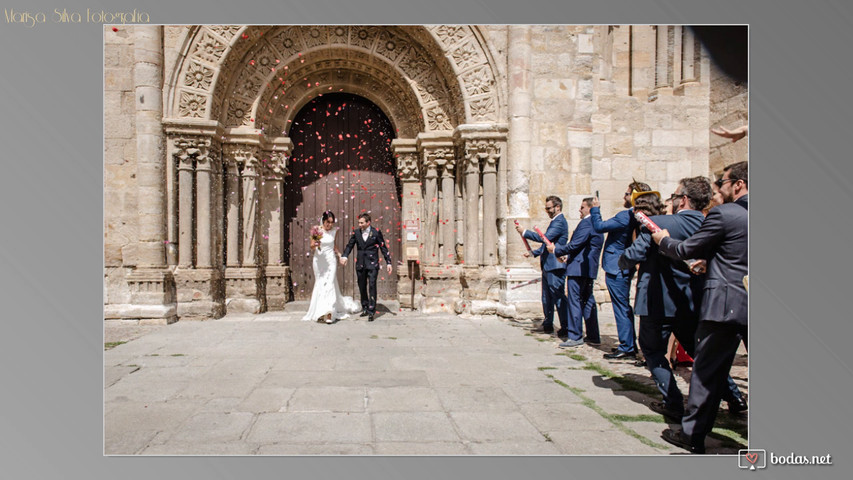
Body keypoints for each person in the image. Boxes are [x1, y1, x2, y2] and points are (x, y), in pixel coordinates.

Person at [652, 161, 749, 454]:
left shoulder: (727, 213)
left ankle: (693, 435)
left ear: (738, 184)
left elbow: (686, 249)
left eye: (721, 182)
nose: (717, 189)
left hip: (726, 303)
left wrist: (664, 241)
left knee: (708, 372)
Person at [590, 181, 652, 360]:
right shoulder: (637, 216)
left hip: (617, 266)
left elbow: (599, 227)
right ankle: (629, 343)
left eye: (627, 194)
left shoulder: (625, 216)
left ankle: (627, 346)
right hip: (623, 265)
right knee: (623, 306)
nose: (623, 197)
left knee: (621, 307)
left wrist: (596, 209)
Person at [547, 198, 604, 348]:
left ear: (590, 208)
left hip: (578, 269)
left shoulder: (587, 222)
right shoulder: (595, 223)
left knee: (575, 301)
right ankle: (593, 335)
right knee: (587, 301)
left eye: (582, 207)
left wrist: (556, 250)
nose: (580, 210)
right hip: (586, 268)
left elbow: (576, 243)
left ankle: (575, 335)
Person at [516, 196, 569, 340]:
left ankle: (566, 327)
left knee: (558, 296)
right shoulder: (554, 221)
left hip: (556, 265)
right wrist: (534, 253)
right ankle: (548, 324)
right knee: (546, 298)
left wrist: (525, 231)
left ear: (557, 207)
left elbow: (545, 238)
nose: (547, 211)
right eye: (546, 208)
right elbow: (546, 244)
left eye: (549, 208)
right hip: (548, 265)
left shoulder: (560, 221)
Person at [301, 211, 361, 323]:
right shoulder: (316, 230)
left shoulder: (334, 231)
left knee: (329, 283)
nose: (329, 225)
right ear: (323, 220)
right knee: (320, 283)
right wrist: (316, 243)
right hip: (319, 261)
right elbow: (312, 246)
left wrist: (339, 255)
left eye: (331, 222)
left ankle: (330, 312)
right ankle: (320, 310)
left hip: (330, 261)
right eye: (328, 222)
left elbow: (333, 246)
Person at [340, 213, 393, 322]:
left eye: (361, 223)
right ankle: (365, 307)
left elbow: (383, 247)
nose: (359, 225)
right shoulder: (356, 233)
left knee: (372, 285)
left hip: (372, 264)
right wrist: (345, 256)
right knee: (362, 286)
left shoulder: (376, 232)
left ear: (368, 223)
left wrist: (388, 263)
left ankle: (371, 310)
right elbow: (350, 245)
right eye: (359, 222)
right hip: (360, 264)